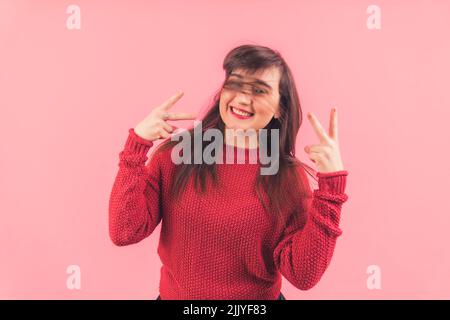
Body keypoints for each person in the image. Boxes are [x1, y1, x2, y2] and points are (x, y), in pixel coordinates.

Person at [108, 44, 349, 300]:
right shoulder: (176, 155)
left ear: (280, 107)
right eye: (236, 84)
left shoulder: (288, 178)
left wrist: (330, 192)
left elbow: (303, 275)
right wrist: (137, 146)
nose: (243, 99)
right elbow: (124, 232)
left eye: (259, 90)